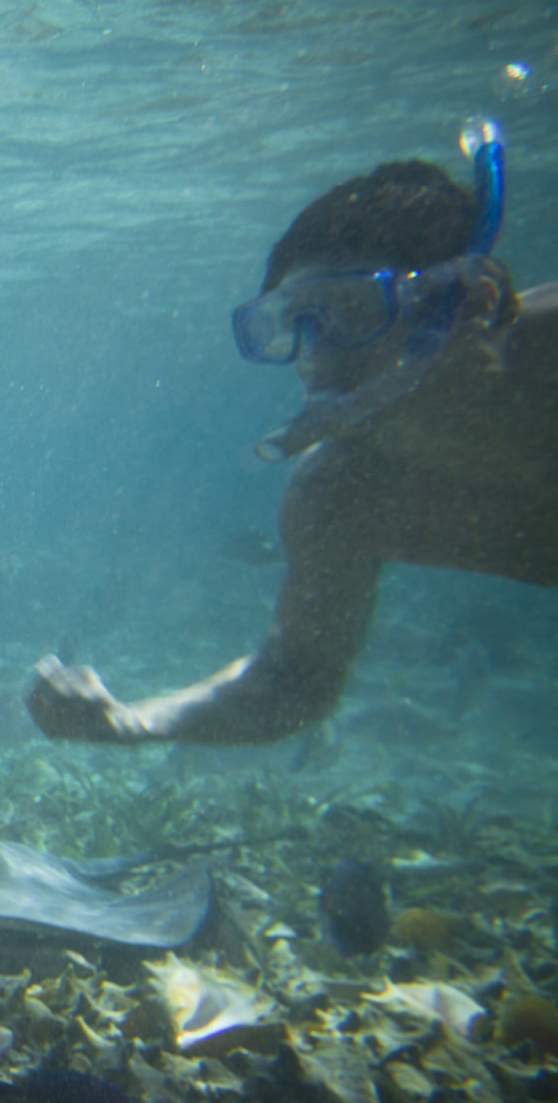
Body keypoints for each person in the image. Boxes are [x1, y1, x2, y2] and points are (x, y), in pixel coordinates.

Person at [27, 122, 558, 746]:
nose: (315, 356)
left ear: (479, 302)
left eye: (353, 311)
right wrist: (131, 722)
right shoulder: (340, 497)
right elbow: (296, 681)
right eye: (292, 324)